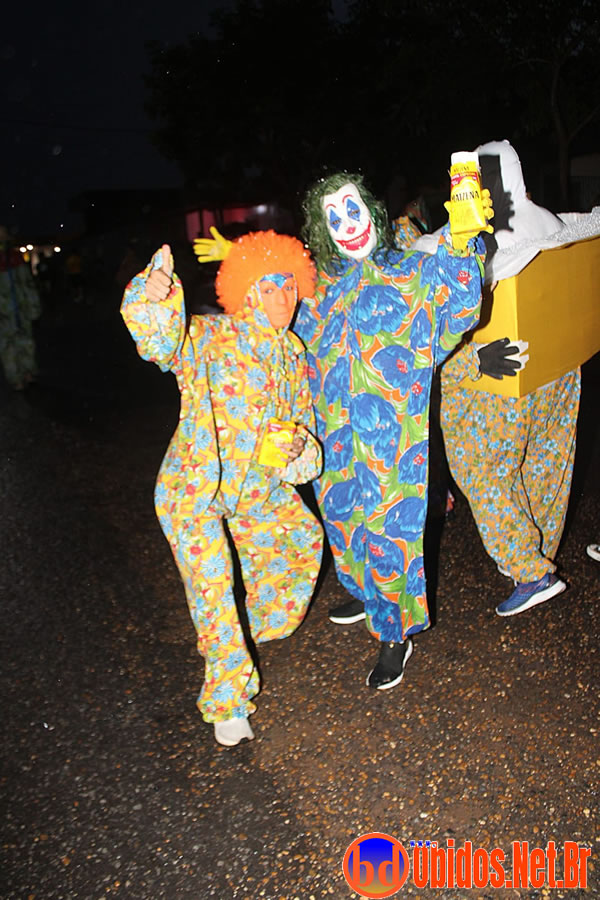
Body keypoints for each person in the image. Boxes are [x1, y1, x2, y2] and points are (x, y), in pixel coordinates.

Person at [121, 231, 324, 747]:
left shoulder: (294, 355)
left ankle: (234, 631)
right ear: (247, 291)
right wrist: (154, 294)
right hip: (193, 493)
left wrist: (301, 452)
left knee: (302, 540)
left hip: (254, 489)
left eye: (289, 286)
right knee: (214, 588)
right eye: (268, 287)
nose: (282, 298)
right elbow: (161, 344)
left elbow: (303, 433)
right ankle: (228, 700)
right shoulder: (210, 335)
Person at [294, 171, 490, 690]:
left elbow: (461, 308)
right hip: (333, 434)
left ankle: (394, 632)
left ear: (372, 211)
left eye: (352, 208)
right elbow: (288, 340)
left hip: (391, 439)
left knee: (388, 534)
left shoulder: (411, 271)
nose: (346, 224)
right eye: (333, 217)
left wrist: (461, 243)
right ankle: (366, 594)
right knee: (342, 521)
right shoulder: (319, 288)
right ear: (320, 229)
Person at [438, 140, 581, 616]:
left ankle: (529, 568)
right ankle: (533, 555)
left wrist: (469, 361)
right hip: (560, 367)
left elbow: (437, 320)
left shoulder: (467, 240)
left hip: (502, 368)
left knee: (481, 467)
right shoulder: (551, 223)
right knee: (546, 465)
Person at [0, 227, 41, 390]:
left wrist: (33, 306)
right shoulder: (13, 257)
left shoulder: (15, 257)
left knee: (25, 341)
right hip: (3, 311)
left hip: (20, 307)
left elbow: (27, 284)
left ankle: (27, 372)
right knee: (8, 345)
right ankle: (17, 377)